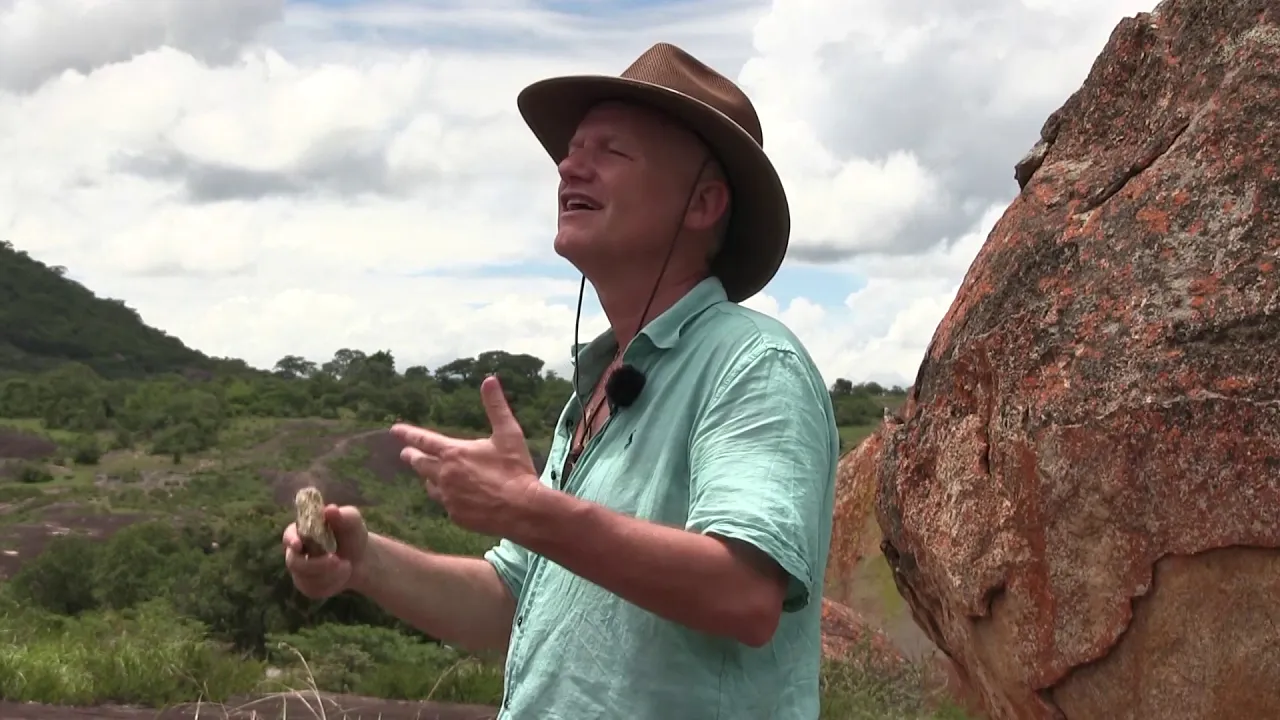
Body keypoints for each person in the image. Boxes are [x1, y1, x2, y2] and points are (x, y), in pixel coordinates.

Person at [282, 42, 839, 719]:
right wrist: (366, 564)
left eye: (611, 151)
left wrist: (529, 508)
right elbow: (510, 601)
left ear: (703, 203)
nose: (570, 165)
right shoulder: (599, 390)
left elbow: (744, 596)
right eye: (572, 150)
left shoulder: (752, 363)